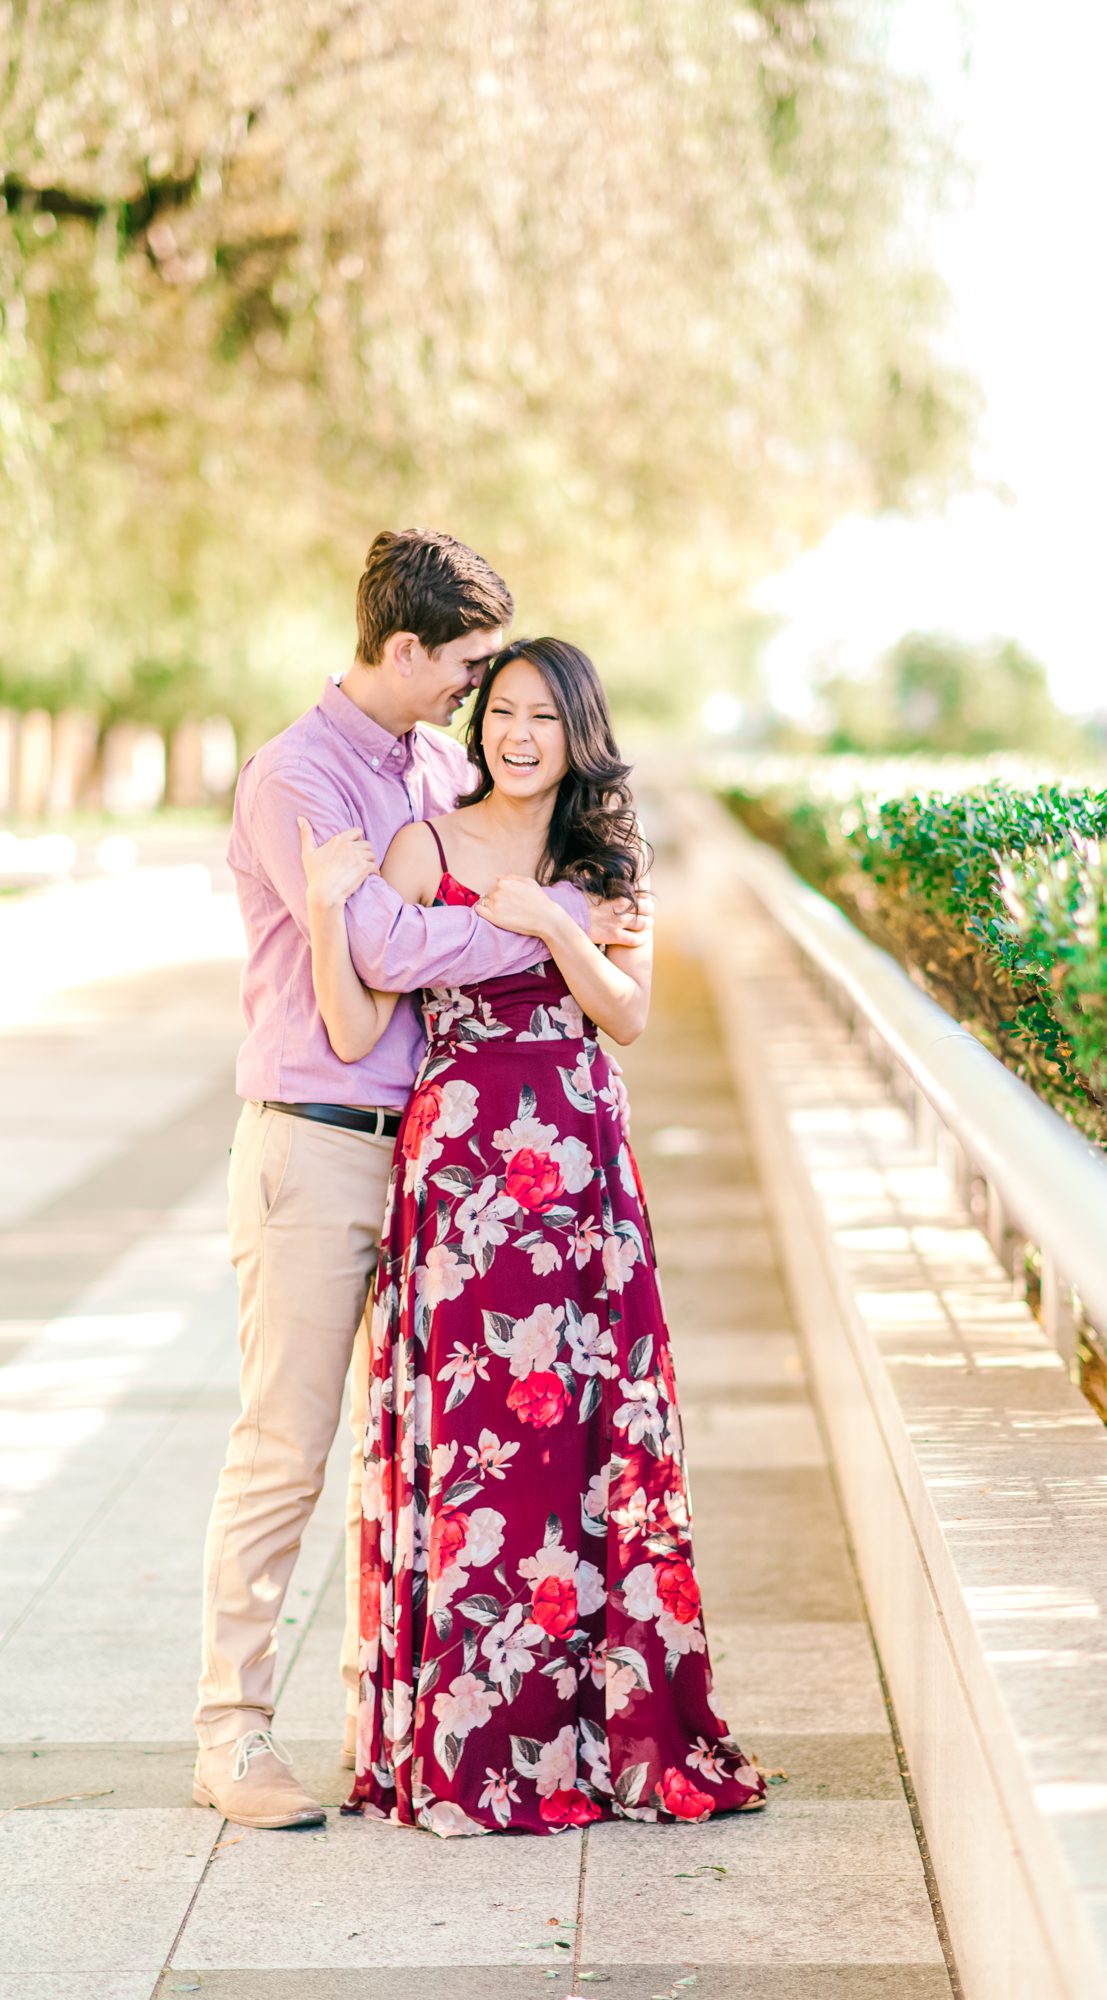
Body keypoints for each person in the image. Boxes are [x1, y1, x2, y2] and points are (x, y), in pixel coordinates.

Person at [193, 532, 643, 1832]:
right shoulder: (297, 777)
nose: (476, 691)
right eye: (464, 666)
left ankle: (384, 1718)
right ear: (405, 648)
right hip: (322, 1140)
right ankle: (231, 1733)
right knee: (286, 1446)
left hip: (451, 1163)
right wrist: (557, 925)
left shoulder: (438, 766)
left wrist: (543, 912)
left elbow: (459, 886)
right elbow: (384, 951)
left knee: (413, 1440)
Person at [300, 636, 764, 1835]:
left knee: (589, 1437)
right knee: (478, 1449)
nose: (516, 734)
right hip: (461, 1181)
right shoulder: (424, 845)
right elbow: (353, 1025)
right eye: (501, 711)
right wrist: (326, 909)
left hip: (581, 1173)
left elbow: (630, 1013)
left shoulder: (609, 858)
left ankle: (600, 1739)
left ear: (578, 733)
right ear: (480, 724)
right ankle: (475, 1750)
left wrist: (555, 925)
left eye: (543, 718)